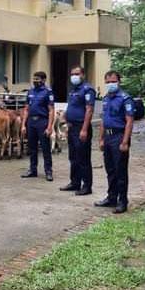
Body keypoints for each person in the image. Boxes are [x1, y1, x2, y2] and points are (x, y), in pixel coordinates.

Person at [94, 71, 134, 214]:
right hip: (108, 137)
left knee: (120, 170)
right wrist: (101, 139)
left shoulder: (125, 98)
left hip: (119, 136)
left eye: (113, 81)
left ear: (119, 81)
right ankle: (111, 197)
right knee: (110, 169)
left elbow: (129, 121)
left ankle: (122, 201)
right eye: (108, 82)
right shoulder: (105, 99)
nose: (110, 84)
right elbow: (103, 120)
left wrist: (125, 141)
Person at [60, 66, 95, 195]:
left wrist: (84, 129)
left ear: (83, 75)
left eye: (77, 73)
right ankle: (75, 182)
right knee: (73, 157)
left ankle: (86, 186)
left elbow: (89, 110)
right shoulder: (73, 90)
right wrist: (66, 121)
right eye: (72, 74)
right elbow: (71, 107)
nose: (74, 76)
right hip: (72, 127)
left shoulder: (87, 89)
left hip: (82, 127)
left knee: (83, 158)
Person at [20, 71, 55, 181]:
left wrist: (49, 127)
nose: (35, 81)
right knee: (32, 148)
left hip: (42, 122)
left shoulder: (47, 92)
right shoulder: (30, 91)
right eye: (34, 79)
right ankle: (32, 170)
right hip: (31, 122)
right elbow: (26, 109)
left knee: (45, 148)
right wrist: (23, 125)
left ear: (44, 80)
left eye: (38, 79)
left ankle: (48, 171)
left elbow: (51, 110)